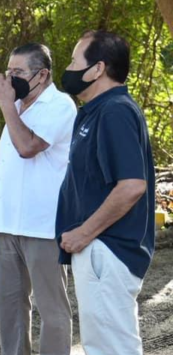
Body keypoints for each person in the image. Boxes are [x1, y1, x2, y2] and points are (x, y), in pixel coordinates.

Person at [56, 30, 154, 355]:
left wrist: (84, 233)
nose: (68, 68)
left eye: (74, 61)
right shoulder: (99, 110)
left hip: (106, 250)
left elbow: (132, 186)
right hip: (99, 251)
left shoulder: (115, 111)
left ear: (97, 69)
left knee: (111, 349)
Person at [0, 43, 76, 355]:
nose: (10, 79)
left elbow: (28, 147)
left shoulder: (60, 105)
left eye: (18, 73)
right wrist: (12, 107)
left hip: (43, 225)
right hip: (7, 225)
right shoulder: (19, 106)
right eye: (8, 72)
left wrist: (6, 106)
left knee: (51, 309)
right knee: (9, 308)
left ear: (43, 74)